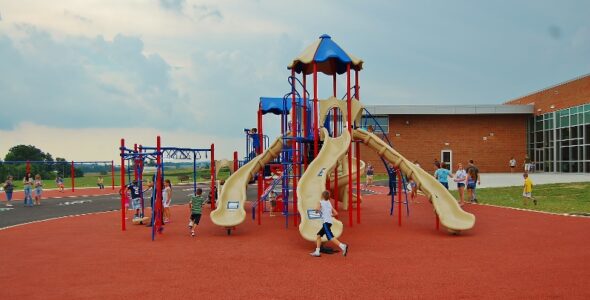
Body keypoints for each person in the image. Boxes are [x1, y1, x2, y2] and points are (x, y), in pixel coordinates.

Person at [309, 190, 349, 257]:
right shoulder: (329, 203)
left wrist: (317, 211)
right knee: (319, 236)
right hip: (329, 222)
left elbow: (317, 209)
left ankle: (343, 246)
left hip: (326, 222)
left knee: (330, 237)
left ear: (322, 196)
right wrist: (329, 215)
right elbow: (336, 213)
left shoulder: (320, 202)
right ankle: (317, 251)